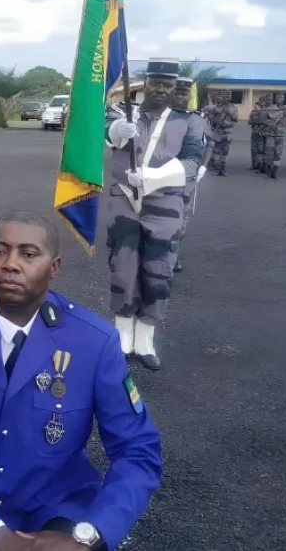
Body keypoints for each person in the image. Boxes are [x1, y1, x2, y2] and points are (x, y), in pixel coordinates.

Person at [0, 210, 162, 551]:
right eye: (0, 251)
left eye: (28, 254)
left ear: (53, 267)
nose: (10, 264)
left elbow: (137, 449)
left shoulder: (92, 342)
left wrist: (90, 535)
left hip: (61, 519)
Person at [105, 58, 204, 370]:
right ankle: (122, 333)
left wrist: (153, 177)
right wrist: (118, 130)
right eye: (155, 82)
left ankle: (145, 336)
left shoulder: (188, 120)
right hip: (125, 201)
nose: (161, 89)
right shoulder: (123, 112)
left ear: (175, 88)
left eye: (167, 84)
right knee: (123, 267)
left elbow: (193, 162)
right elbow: (105, 133)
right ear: (144, 83)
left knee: (159, 270)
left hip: (165, 204)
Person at [170, 77, 209, 273]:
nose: (179, 96)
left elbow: (210, 142)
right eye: (176, 92)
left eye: (183, 93)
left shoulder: (198, 118)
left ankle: (172, 257)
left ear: (189, 96)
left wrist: (204, 167)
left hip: (186, 179)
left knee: (179, 221)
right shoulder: (158, 117)